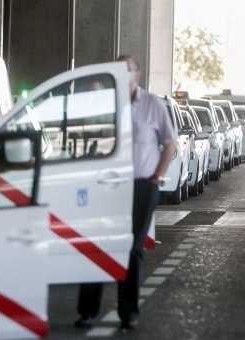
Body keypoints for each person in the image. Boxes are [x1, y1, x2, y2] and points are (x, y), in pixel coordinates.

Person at [74, 55, 176, 330]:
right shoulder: (104, 103)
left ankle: (128, 312)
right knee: (96, 245)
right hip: (105, 186)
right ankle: (87, 311)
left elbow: (169, 143)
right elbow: (85, 137)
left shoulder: (153, 105)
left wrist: (158, 175)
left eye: (126, 70)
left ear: (137, 76)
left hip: (141, 186)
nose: (121, 75)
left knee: (132, 249)